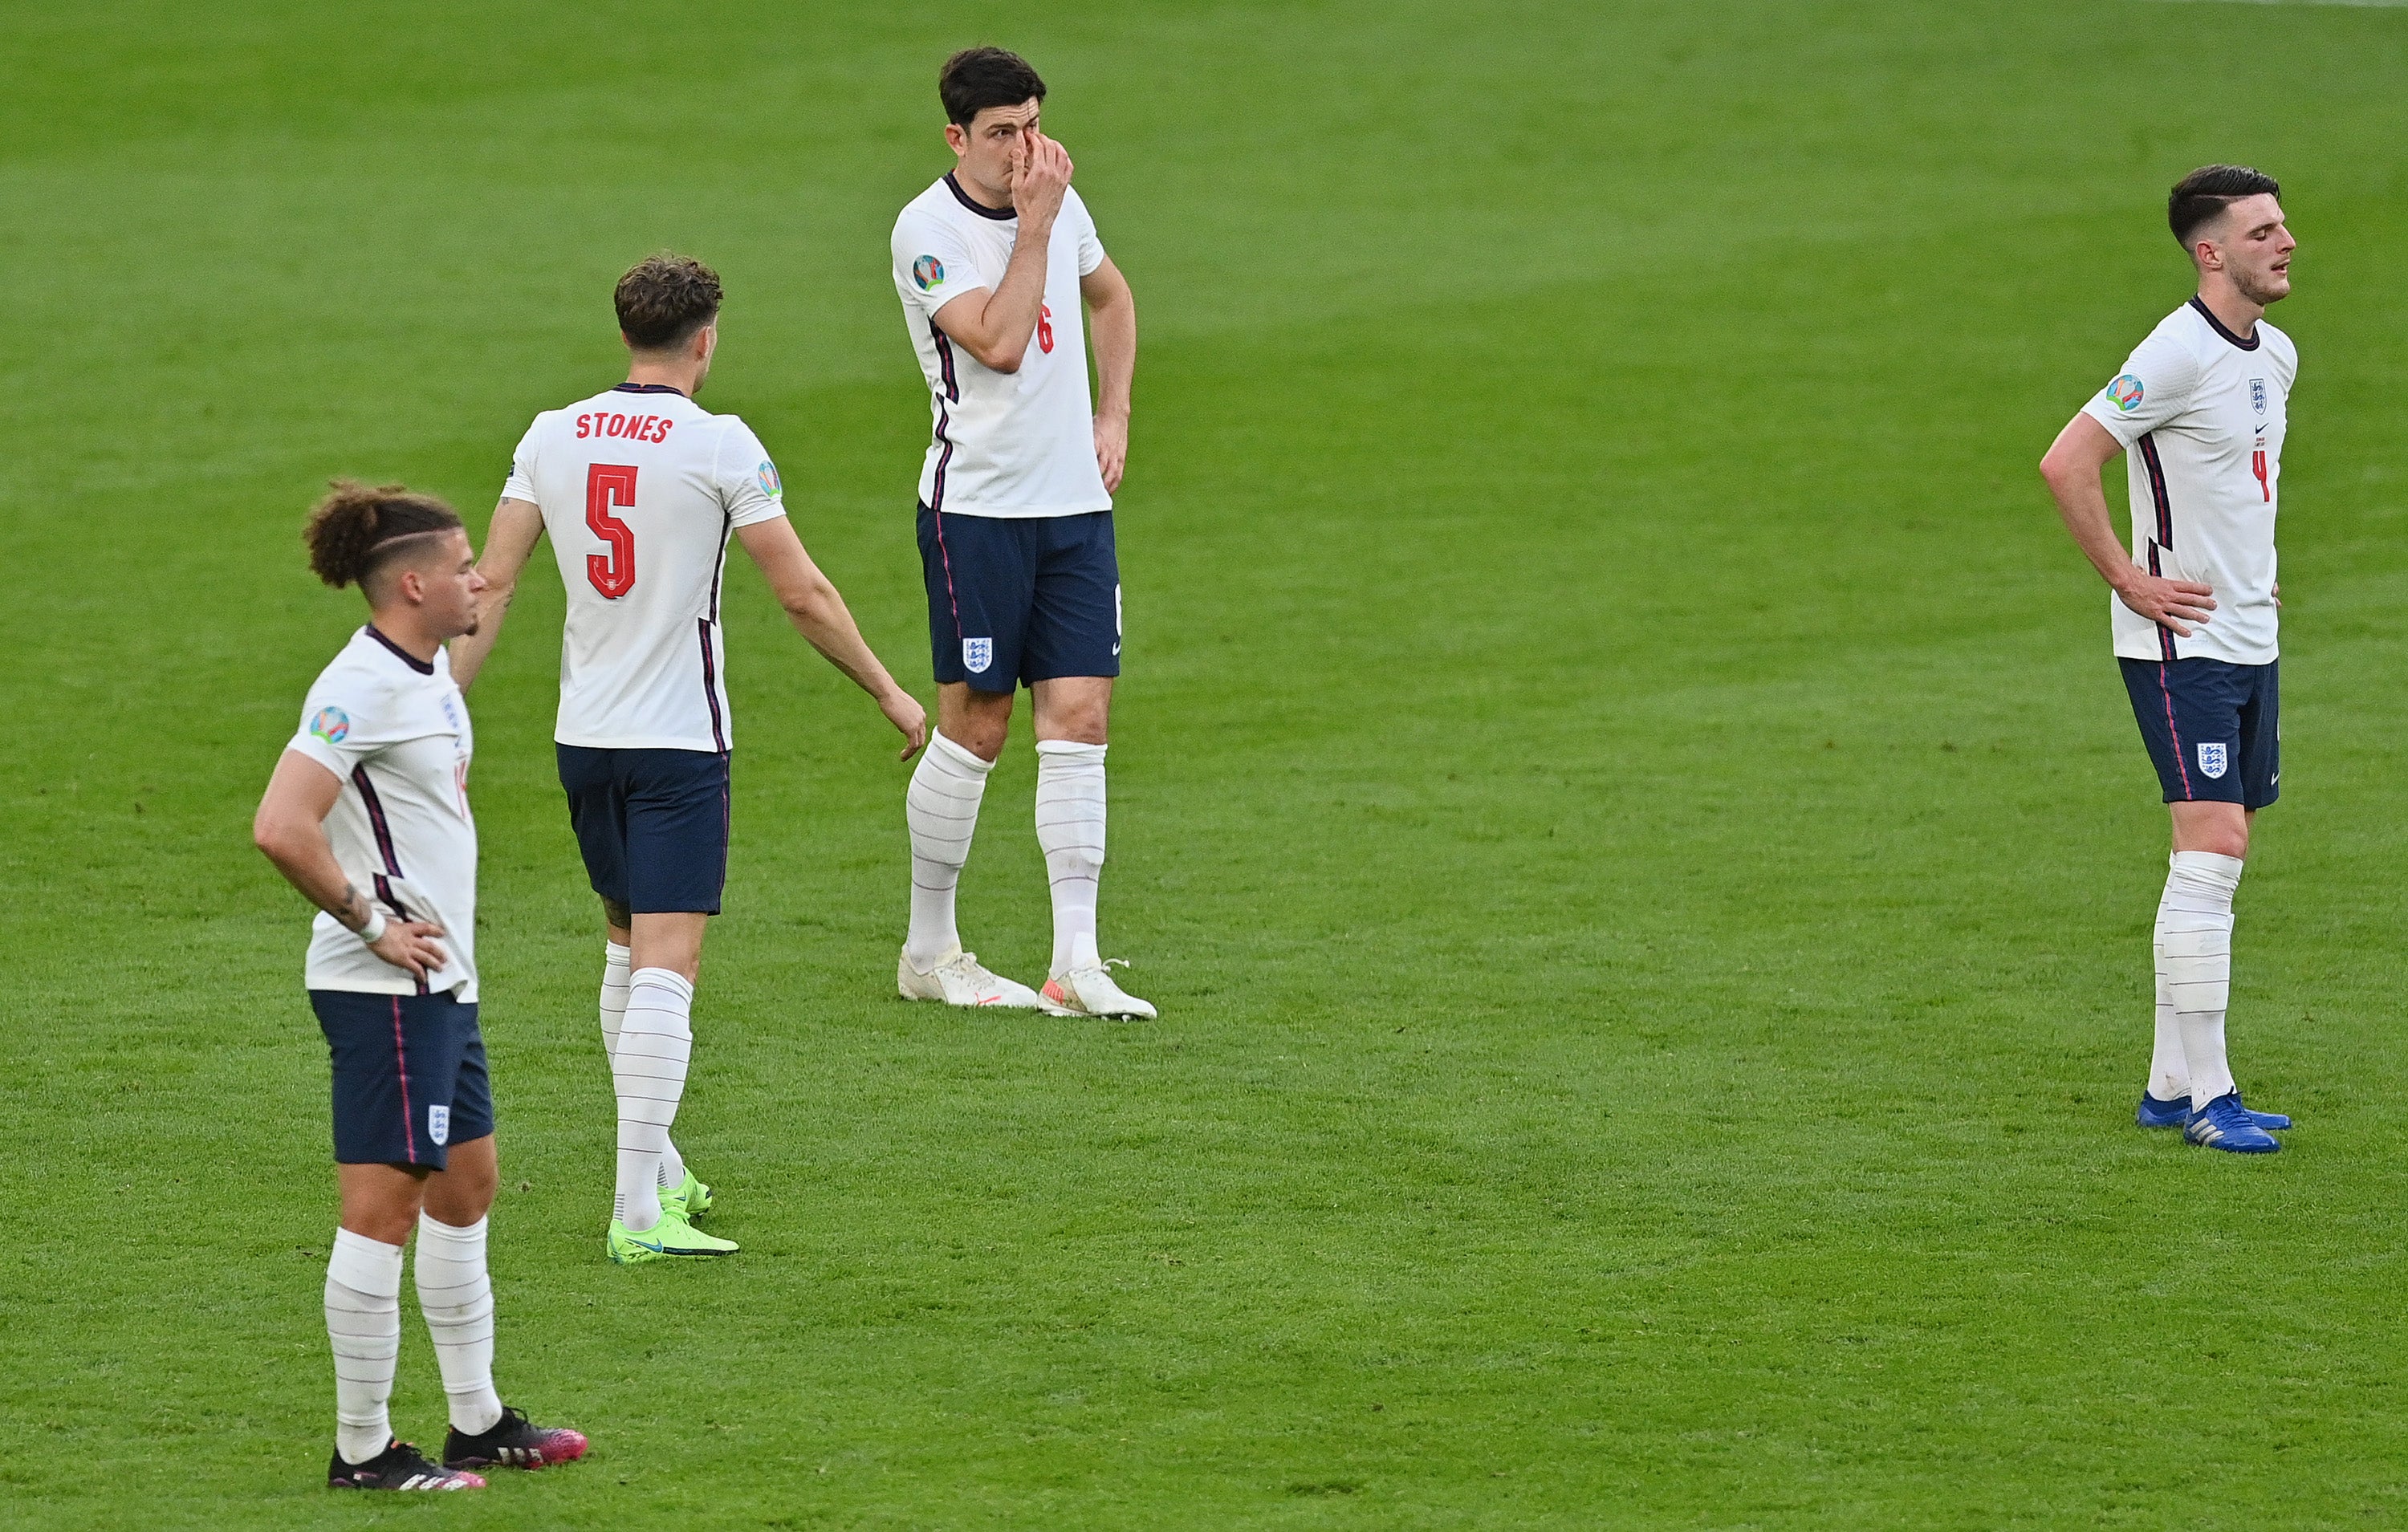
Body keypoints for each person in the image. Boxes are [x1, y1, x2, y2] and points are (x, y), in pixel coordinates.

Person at [448, 254, 927, 1262]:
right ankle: (635, 1216)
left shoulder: (550, 434)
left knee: (626, 946)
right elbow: (802, 594)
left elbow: (486, 587)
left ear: (627, 332)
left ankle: (660, 1163)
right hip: (677, 741)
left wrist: (440, 713)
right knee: (672, 964)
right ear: (705, 338)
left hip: (585, 739)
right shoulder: (721, 445)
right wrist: (887, 690)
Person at [254, 481, 588, 1490]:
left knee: (468, 1184)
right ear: (409, 583)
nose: (475, 575)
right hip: (386, 994)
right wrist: (370, 922)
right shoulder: (361, 687)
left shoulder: (426, 666)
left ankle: (477, 1420)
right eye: (457, 566)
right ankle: (362, 1449)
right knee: (382, 1209)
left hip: (445, 985)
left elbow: (478, 612)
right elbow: (281, 824)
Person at [2039, 165, 2301, 1154]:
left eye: (2284, 226)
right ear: (2211, 251)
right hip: (2177, 642)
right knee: (2213, 846)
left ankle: (2167, 1084)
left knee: (2220, 853)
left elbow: (2237, 489)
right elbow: (2067, 460)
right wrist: (2128, 579)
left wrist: (2254, 574)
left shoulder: (2272, 356)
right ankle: (2211, 1098)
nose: (2286, 242)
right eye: (2264, 230)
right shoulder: (2175, 352)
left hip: (2248, 637)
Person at [888, 47, 1151, 1018]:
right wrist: (1035, 226)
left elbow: (1113, 297)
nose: (1023, 148)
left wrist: (1113, 415)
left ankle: (1076, 959)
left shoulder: (1056, 199)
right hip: (978, 512)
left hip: (1074, 508)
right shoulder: (926, 231)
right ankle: (929, 945)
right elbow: (997, 342)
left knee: (1080, 718)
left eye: (1031, 125)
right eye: (1001, 133)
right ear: (957, 137)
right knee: (980, 725)